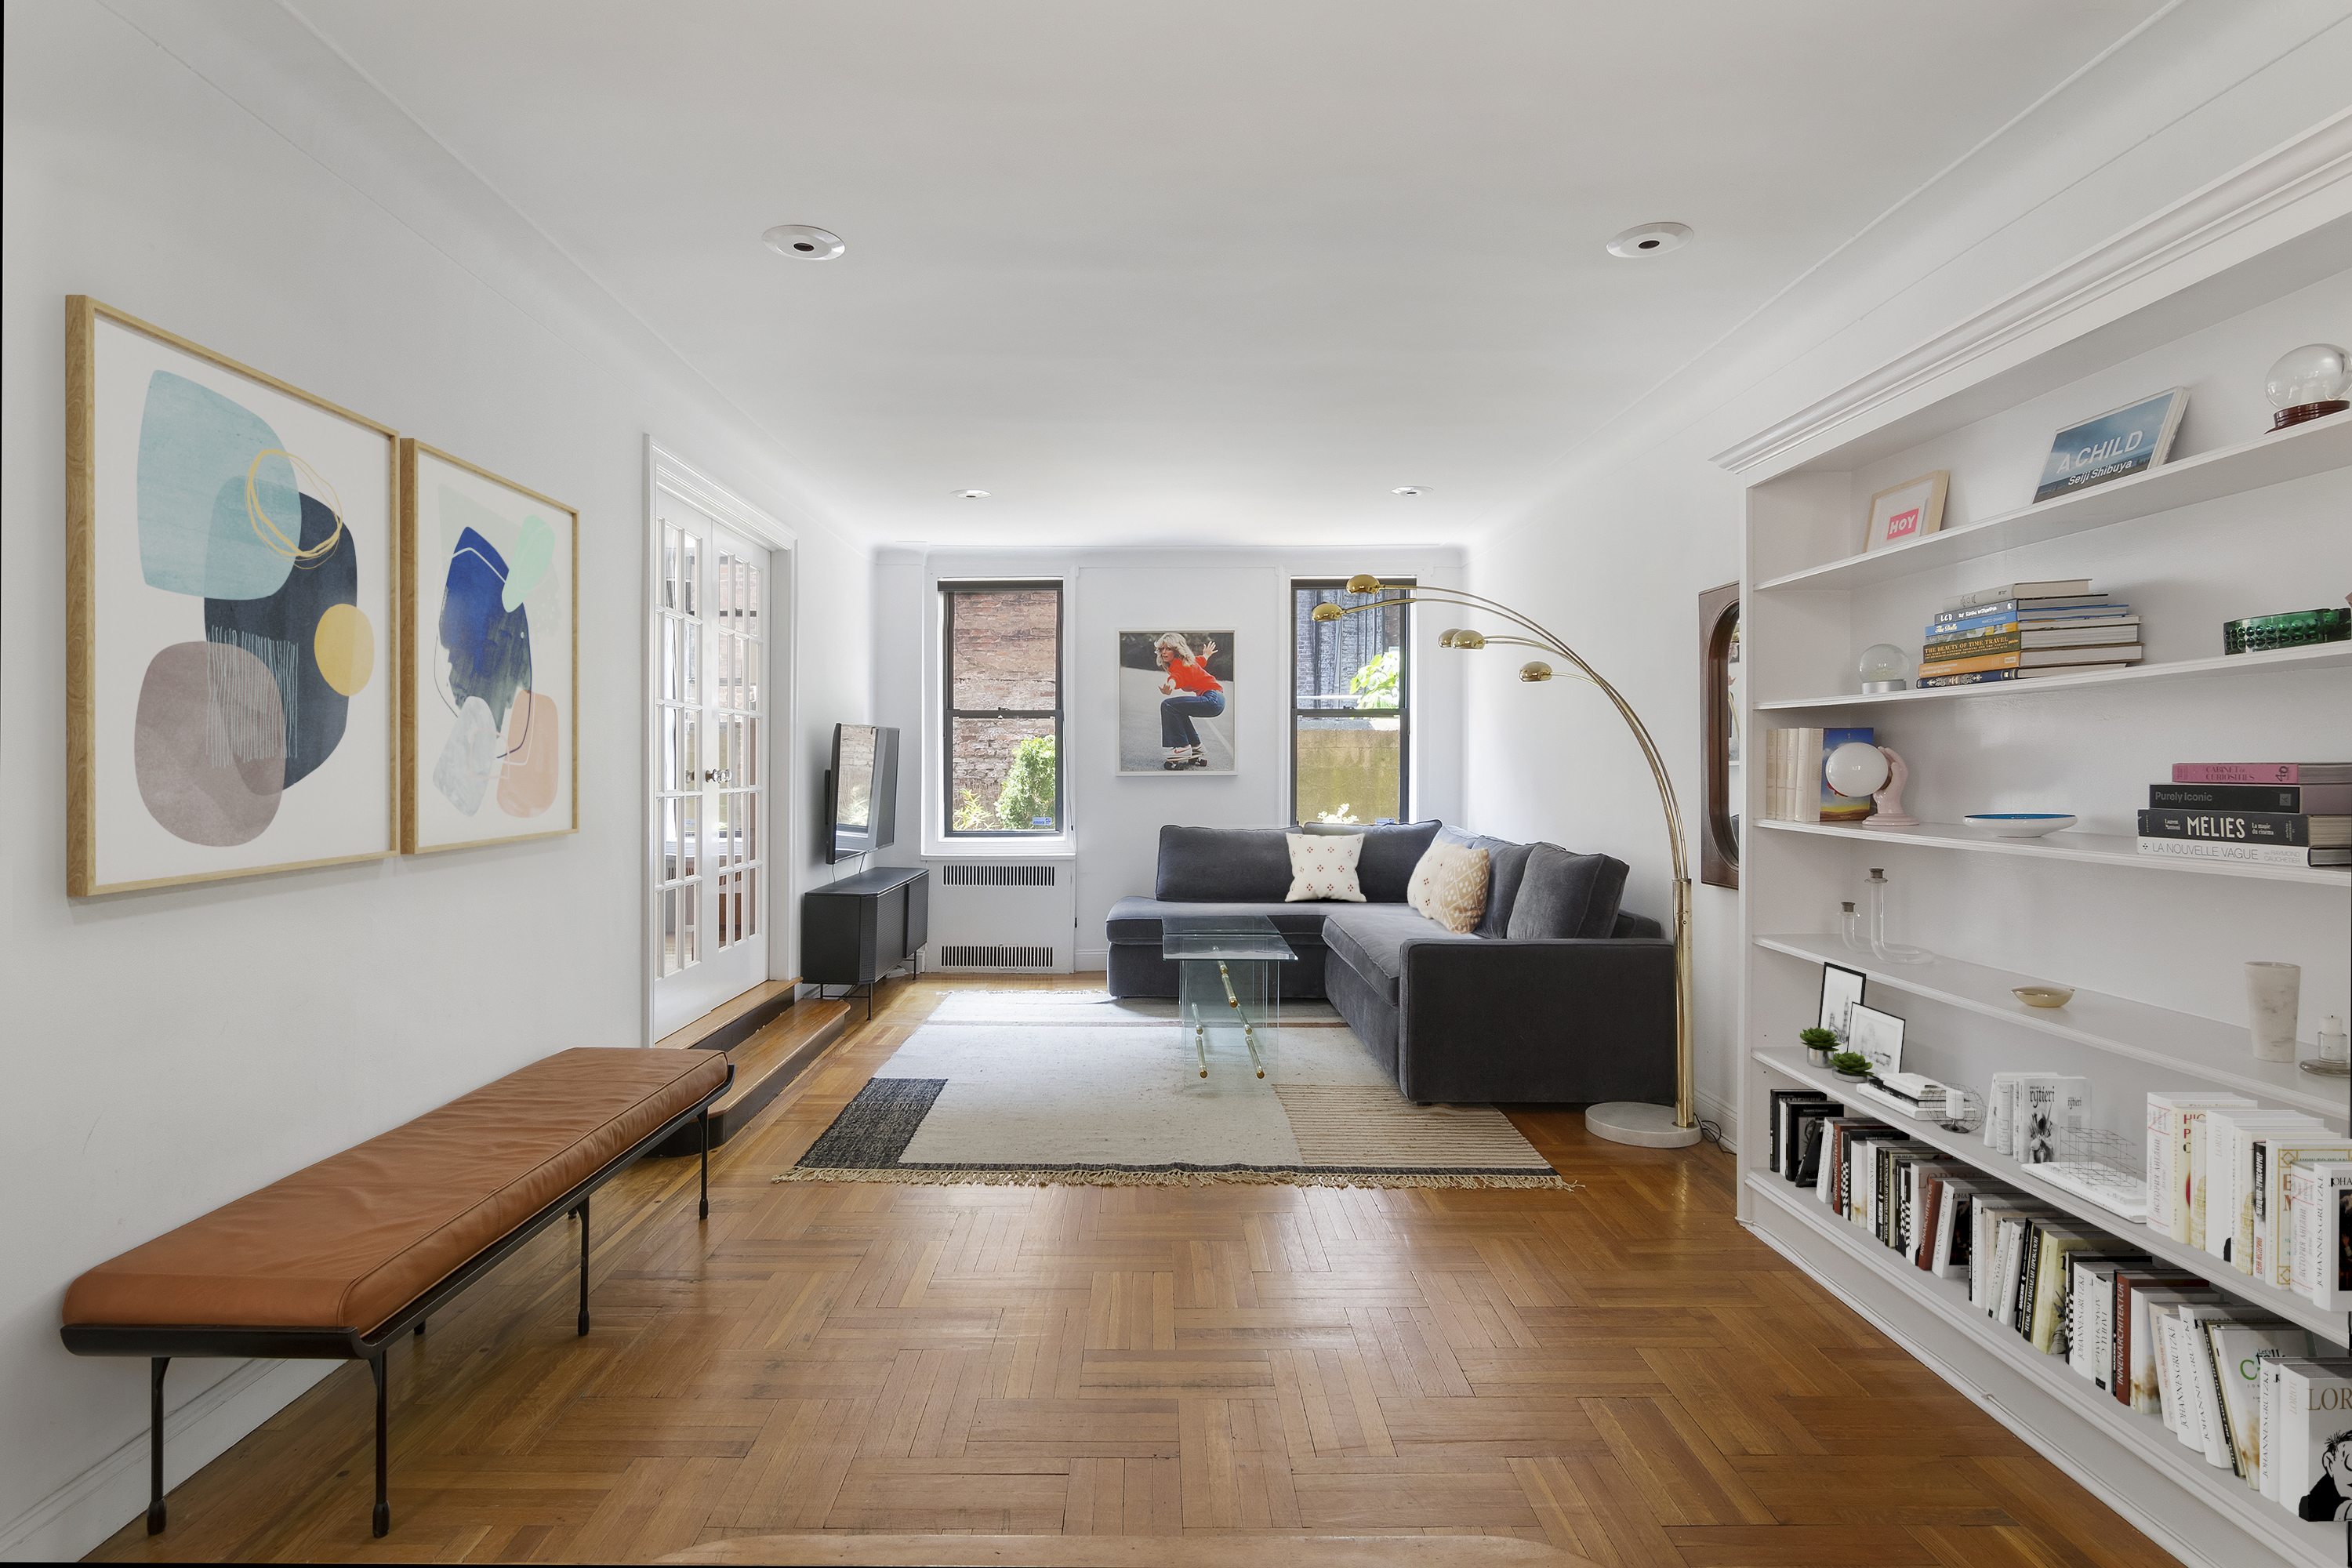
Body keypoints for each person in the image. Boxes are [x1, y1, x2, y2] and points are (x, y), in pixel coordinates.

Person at [1154, 633, 1223, 769]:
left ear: (1176, 650)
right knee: (1179, 710)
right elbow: (1202, 660)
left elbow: (1175, 677)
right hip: (1217, 700)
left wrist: (1170, 688)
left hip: (1211, 698)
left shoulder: (1178, 664)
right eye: (1162, 649)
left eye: (1168, 649)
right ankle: (1196, 746)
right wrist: (1207, 654)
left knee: (1168, 705)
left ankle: (1182, 746)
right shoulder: (1190, 661)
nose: (1164, 652)